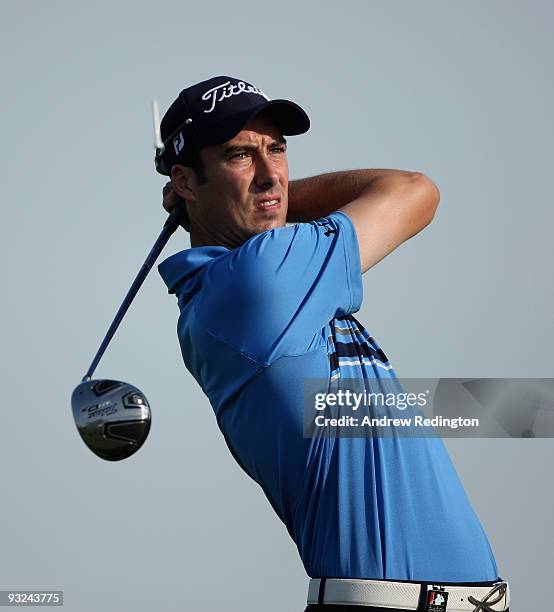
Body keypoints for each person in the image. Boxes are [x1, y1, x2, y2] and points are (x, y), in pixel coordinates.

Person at [156, 76, 510, 612]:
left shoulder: (247, 293)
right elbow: (414, 189)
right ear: (184, 181)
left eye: (276, 149)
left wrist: (526, 408)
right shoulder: (258, 279)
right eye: (239, 156)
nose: (272, 174)